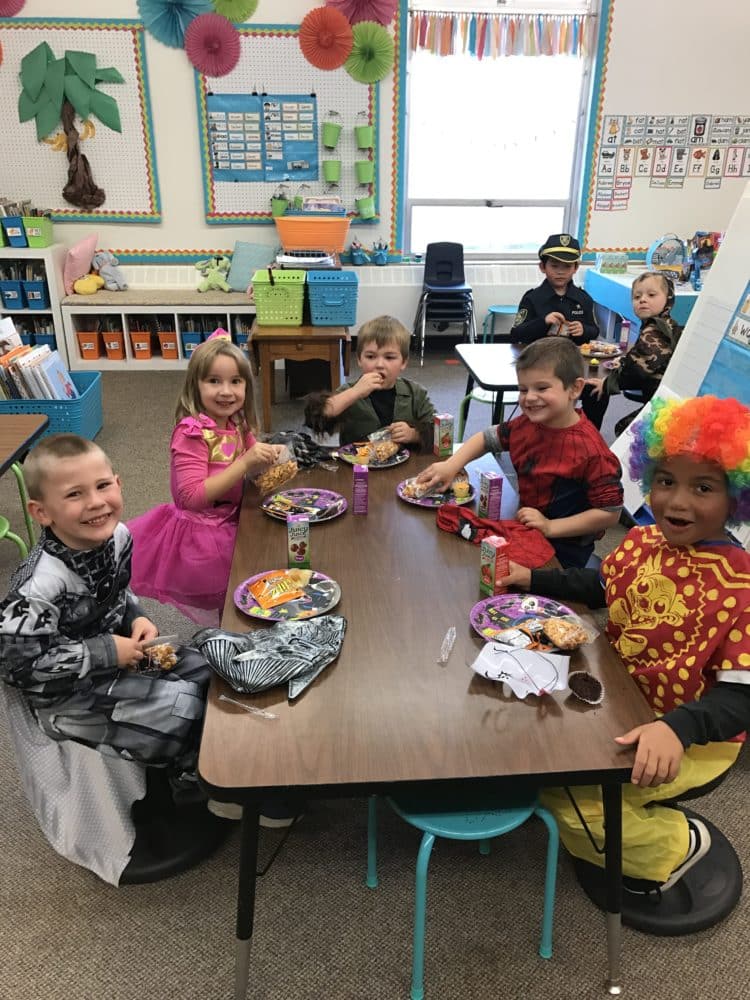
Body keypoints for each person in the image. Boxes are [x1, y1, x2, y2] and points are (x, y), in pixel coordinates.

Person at [501, 395, 750, 892]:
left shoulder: (741, 584)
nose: (677, 502)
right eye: (665, 481)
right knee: (529, 743)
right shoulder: (642, 540)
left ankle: (678, 844)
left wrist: (677, 729)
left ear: (737, 497)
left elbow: (741, 696)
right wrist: (534, 580)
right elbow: (601, 587)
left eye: (703, 487)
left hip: (694, 734)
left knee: (568, 803)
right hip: (618, 700)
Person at [0, 434, 213, 883]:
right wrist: (103, 651)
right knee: (184, 711)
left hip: (116, 657)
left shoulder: (118, 537)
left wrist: (135, 618)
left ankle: (194, 773)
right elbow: (16, 668)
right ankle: (190, 786)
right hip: (65, 698)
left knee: (211, 668)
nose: (96, 503)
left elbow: (118, 595)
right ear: (41, 512)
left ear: (118, 482)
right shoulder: (36, 586)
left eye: (102, 486)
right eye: (74, 494)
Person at [418, 338, 623, 568]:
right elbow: (486, 438)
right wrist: (451, 465)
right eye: (523, 389)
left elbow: (609, 513)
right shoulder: (526, 425)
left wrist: (550, 526)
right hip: (526, 530)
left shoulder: (592, 451)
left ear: (575, 388)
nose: (529, 397)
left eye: (542, 388)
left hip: (564, 553)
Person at [128, 331, 282, 625]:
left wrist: (268, 453)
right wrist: (245, 463)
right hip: (204, 531)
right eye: (214, 381)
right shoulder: (192, 433)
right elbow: (192, 497)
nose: (226, 391)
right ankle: (227, 631)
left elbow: (250, 452)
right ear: (195, 386)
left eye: (236, 381)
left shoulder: (237, 421)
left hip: (233, 513)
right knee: (229, 588)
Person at [510, 233, 606, 428]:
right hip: (540, 364)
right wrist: (543, 322)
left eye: (567, 267)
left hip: (574, 363)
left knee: (597, 389)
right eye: (554, 266)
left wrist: (583, 330)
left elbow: (594, 330)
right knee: (543, 398)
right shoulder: (533, 298)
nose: (560, 272)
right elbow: (517, 333)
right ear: (542, 267)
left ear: (575, 268)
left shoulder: (583, 298)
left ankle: (590, 433)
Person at [304, 315, 436, 447]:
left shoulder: (416, 393)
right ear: (359, 360)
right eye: (371, 356)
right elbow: (315, 417)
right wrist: (355, 392)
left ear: (403, 362)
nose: (379, 364)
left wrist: (415, 435)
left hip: (405, 465)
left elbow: (441, 432)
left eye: (389, 357)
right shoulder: (349, 391)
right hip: (358, 465)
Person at [586, 271, 683, 437]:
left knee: (626, 431)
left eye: (651, 295)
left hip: (667, 405)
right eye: (637, 297)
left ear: (669, 299)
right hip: (667, 398)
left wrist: (608, 383)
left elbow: (638, 368)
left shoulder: (656, 330)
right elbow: (642, 354)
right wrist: (625, 360)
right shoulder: (666, 324)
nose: (643, 299)